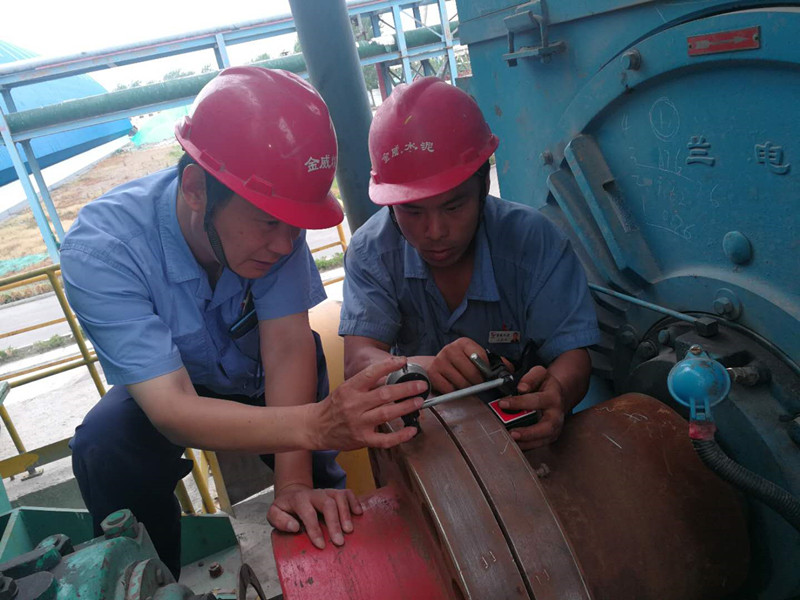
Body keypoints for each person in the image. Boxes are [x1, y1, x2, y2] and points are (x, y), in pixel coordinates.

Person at [60, 67, 426, 579]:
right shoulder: (103, 251)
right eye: (268, 222)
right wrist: (316, 423)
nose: (284, 245)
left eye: (295, 226)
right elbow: (170, 407)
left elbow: (288, 347)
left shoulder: (277, 222)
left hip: (265, 377)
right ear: (195, 189)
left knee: (318, 501)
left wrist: (294, 484)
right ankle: (149, 579)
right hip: (172, 385)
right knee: (106, 443)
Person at [339, 77, 601, 450]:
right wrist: (425, 367)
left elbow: (573, 355)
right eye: (412, 211)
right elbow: (357, 362)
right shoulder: (371, 251)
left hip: (525, 442)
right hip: (426, 444)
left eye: (453, 206)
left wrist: (558, 392)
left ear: (482, 186)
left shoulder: (535, 241)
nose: (435, 232)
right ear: (390, 203)